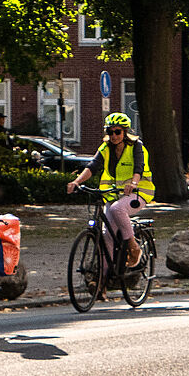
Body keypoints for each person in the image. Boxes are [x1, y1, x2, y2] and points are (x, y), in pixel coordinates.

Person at [66, 113, 153, 268]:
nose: (114, 136)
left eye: (117, 132)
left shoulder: (136, 146)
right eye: (110, 132)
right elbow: (92, 167)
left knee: (117, 209)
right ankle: (103, 282)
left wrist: (133, 183)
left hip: (138, 192)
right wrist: (76, 182)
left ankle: (134, 248)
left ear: (125, 132)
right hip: (113, 194)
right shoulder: (105, 148)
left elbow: (139, 167)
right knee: (107, 235)